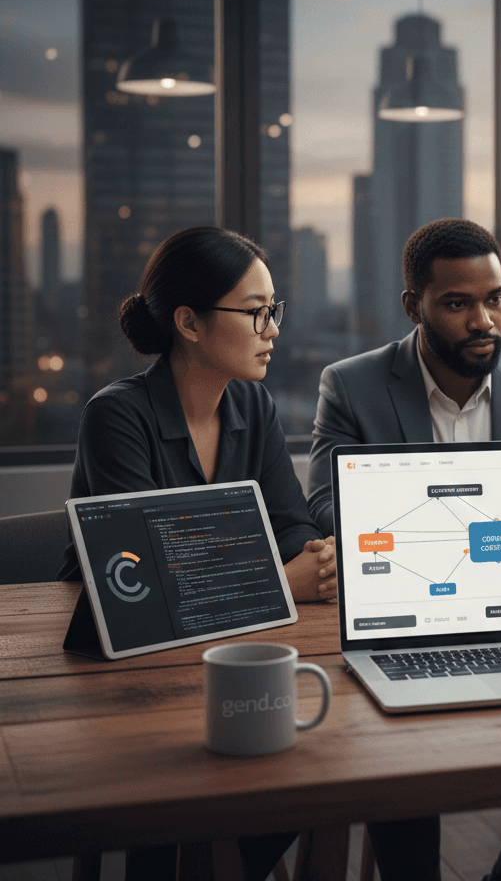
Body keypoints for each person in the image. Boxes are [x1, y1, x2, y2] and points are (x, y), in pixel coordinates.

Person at [307, 217, 501, 881]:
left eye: (494, 298)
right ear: (414, 307)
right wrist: (463, 532)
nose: (483, 319)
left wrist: (417, 517)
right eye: (458, 303)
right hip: (409, 618)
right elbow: (324, 504)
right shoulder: (352, 384)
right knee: (390, 737)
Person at [57, 225, 336, 881]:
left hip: (230, 642)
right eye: (255, 312)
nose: (272, 328)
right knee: (177, 787)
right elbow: (146, 575)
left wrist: (307, 559)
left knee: (314, 763)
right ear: (188, 321)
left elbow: (291, 525)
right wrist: (281, 578)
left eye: (276, 310)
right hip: (115, 666)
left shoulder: (254, 404)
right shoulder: (116, 416)